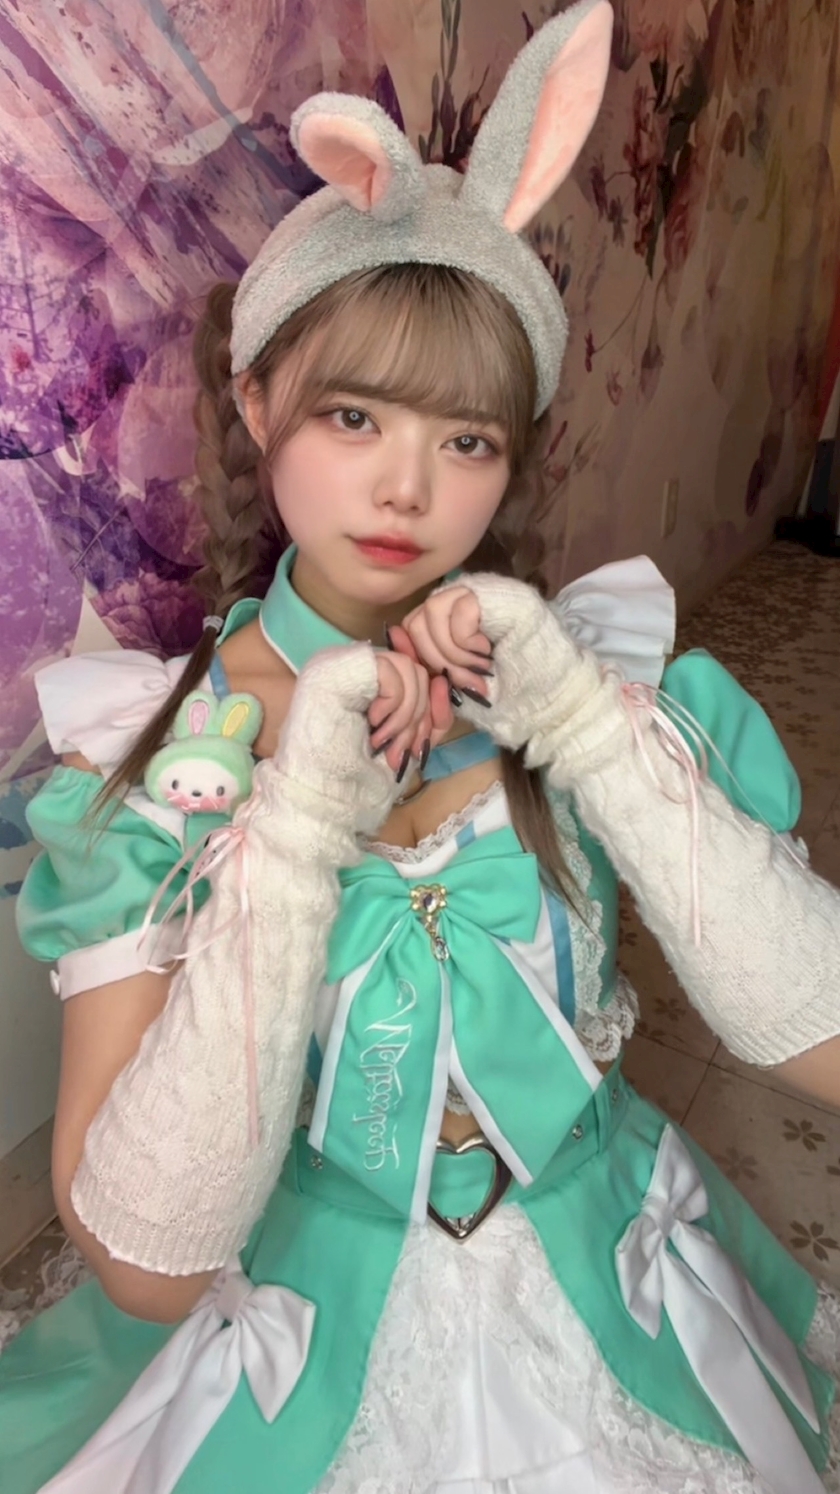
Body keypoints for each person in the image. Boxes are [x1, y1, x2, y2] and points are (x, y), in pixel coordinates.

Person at [1, 3, 838, 1491]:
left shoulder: (595, 674)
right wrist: (295, 829)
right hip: (299, 1334)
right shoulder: (154, 758)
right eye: (353, 413)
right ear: (255, 396)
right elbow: (141, 1267)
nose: (409, 488)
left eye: (468, 439)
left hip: (616, 1275)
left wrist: (582, 726)